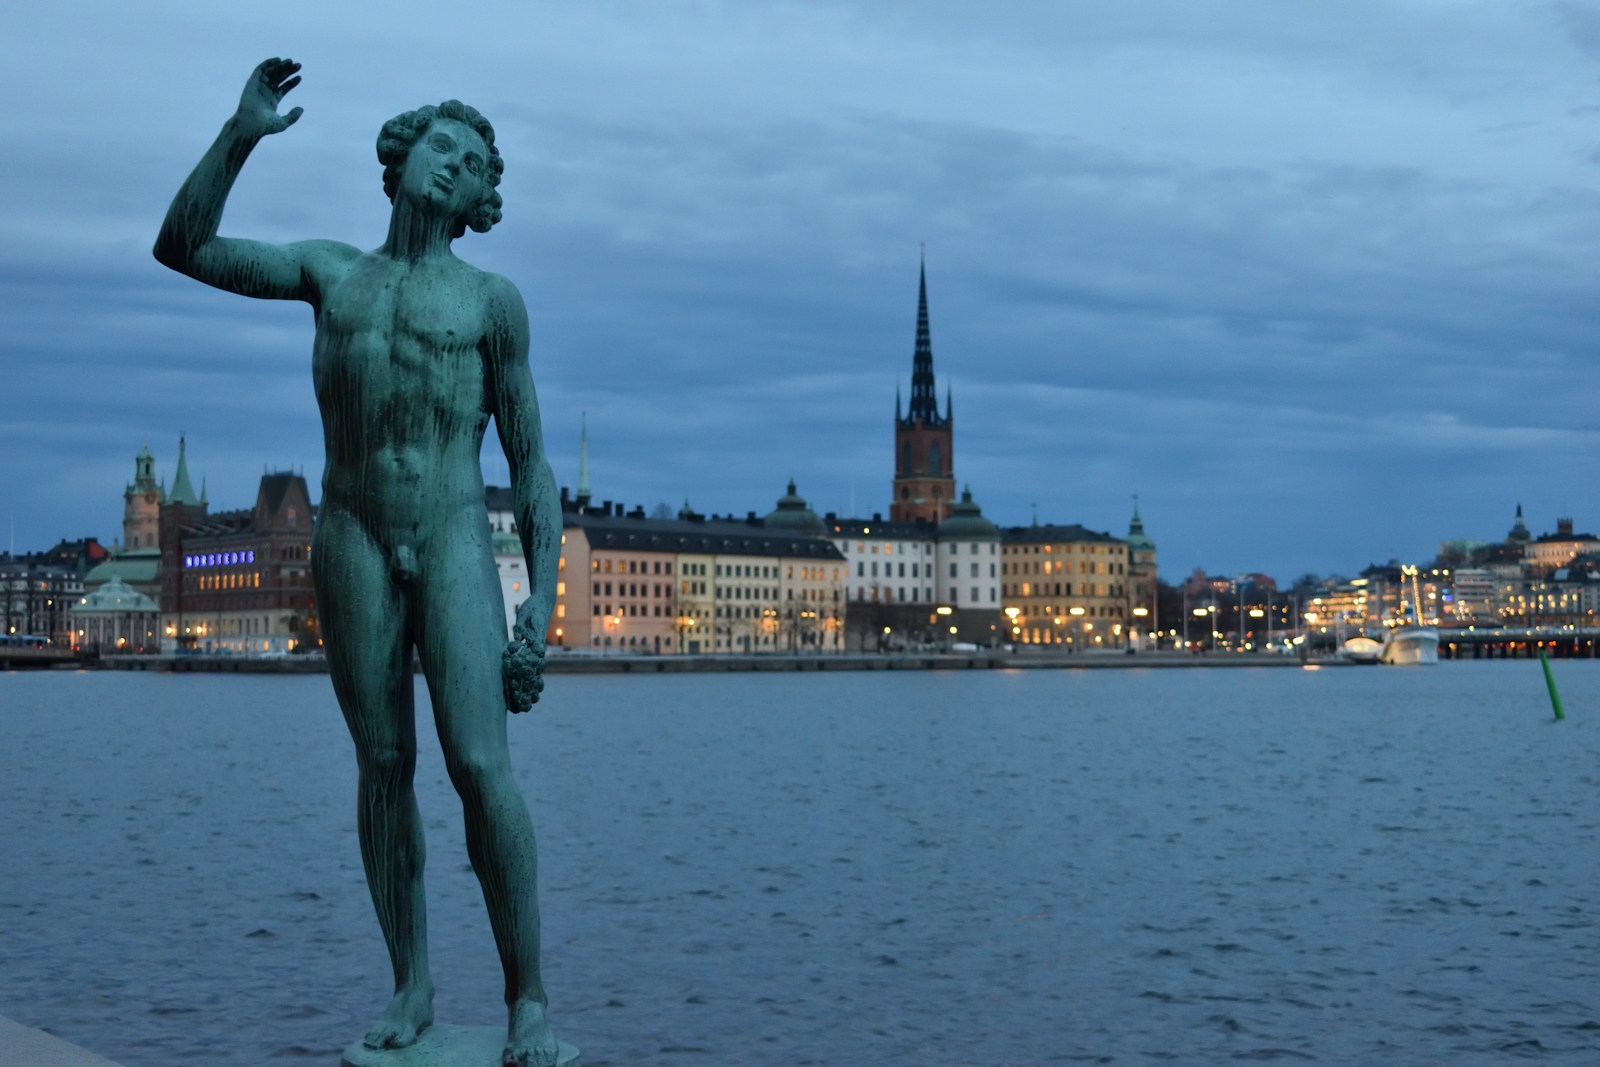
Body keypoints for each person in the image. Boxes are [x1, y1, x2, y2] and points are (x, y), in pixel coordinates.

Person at [154, 58, 564, 1067]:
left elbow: (534, 461)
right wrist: (242, 130)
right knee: (382, 765)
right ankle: (412, 983)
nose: (450, 163)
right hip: (354, 540)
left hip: (457, 534)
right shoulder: (330, 272)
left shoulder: (492, 303)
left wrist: (538, 600)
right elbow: (184, 245)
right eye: (439, 144)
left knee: (478, 765)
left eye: (470, 162)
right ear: (399, 159)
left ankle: (528, 999)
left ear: (478, 201)